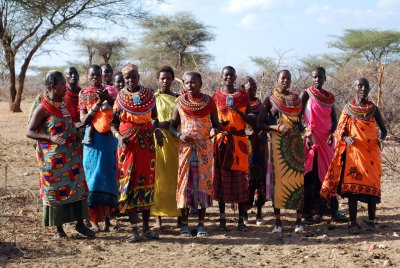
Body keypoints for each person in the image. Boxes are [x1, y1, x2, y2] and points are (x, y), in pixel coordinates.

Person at [26, 70, 94, 239]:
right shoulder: (43, 108)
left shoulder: (63, 105)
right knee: (56, 192)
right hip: (53, 160)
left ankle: (80, 224)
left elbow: (67, 125)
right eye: (62, 84)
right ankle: (59, 229)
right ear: (52, 87)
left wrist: (76, 128)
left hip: (71, 156)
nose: (66, 87)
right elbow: (29, 131)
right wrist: (50, 137)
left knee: (78, 188)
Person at [320, 77, 387, 234]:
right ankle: (353, 223)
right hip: (354, 155)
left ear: (369, 89)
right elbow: (339, 131)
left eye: (366, 86)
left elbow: (384, 130)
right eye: (360, 86)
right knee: (353, 190)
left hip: (371, 155)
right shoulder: (348, 109)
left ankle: (371, 222)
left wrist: (380, 139)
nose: (363, 89)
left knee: (372, 186)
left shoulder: (373, 109)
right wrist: (345, 137)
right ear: (354, 88)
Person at [111, 62, 164, 242]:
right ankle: (134, 230)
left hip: (147, 144)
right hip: (127, 145)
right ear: (123, 79)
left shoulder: (149, 96)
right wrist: (118, 137)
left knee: (147, 183)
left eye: (134, 77)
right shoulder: (119, 99)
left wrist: (157, 131)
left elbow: (155, 119)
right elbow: (113, 124)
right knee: (130, 184)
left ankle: (146, 228)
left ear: (138, 77)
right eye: (127, 78)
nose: (131, 80)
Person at [169, 72, 219, 237]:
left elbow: (216, 125)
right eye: (187, 83)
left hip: (204, 149)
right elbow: (172, 126)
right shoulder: (180, 103)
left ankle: (201, 225)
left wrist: (213, 130)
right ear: (183, 84)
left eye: (193, 82)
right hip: (186, 149)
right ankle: (184, 225)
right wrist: (178, 135)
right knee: (185, 185)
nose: (190, 86)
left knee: (202, 186)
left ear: (201, 83)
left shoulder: (209, 102)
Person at [259, 70, 305, 233]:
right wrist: (275, 126)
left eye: (288, 78)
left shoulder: (296, 99)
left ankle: (298, 222)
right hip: (278, 146)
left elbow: (300, 123)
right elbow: (260, 124)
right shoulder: (270, 99)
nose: (286, 81)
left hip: (296, 146)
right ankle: (278, 222)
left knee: (298, 182)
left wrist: (303, 129)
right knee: (278, 182)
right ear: (277, 80)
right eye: (283, 78)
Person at [301, 67, 347, 224]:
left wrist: (331, 134)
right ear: (311, 78)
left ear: (325, 78)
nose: (317, 79)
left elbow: (334, 120)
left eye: (320, 77)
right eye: (314, 77)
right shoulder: (306, 94)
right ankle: (307, 213)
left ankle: (333, 210)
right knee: (310, 177)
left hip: (327, 141)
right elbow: (297, 117)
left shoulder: (329, 98)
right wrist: (306, 133)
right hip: (311, 140)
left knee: (329, 175)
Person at [213, 66, 254, 231]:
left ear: (235, 77)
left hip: (239, 141)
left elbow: (252, 118)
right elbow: (212, 118)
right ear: (222, 77)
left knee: (240, 181)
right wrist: (219, 126)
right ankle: (222, 220)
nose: (228, 77)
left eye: (231, 75)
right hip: (222, 141)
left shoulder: (243, 96)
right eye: (226, 75)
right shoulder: (216, 96)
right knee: (221, 180)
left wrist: (238, 111)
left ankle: (240, 221)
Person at [79, 65, 118, 232]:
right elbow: (84, 120)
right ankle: (93, 219)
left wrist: (108, 99)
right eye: (92, 75)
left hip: (109, 140)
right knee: (93, 178)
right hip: (93, 140)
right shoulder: (84, 94)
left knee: (110, 177)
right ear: (88, 77)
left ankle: (109, 218)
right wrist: (97, 104)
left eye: (98, 74)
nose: (96, 77)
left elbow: (119, 111)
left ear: (103, 76)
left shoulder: (112, 91)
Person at [151, 66, 182, 229]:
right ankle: (158, 217)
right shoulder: (152, 98)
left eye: (168, 78)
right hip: (158, 142)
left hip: (176, 141)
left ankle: (178, 215)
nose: (165, 81)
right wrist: (159, 125)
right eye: (162, 78)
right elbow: (149, 119)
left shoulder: (178, 98)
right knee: (159, 180)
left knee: (176, 179)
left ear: (172, 80)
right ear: (158, 79)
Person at [243, 76, 267, 225]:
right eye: (249, 87)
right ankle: (244, 213)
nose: (253, 89)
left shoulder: (261, 104)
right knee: (246, 179)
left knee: (260, 179)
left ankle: (259, 213)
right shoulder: (239, 104)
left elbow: (266, 122)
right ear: (242, 88)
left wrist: (264, 130)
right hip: (244, 147)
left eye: (254, 87)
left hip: (260, 147)